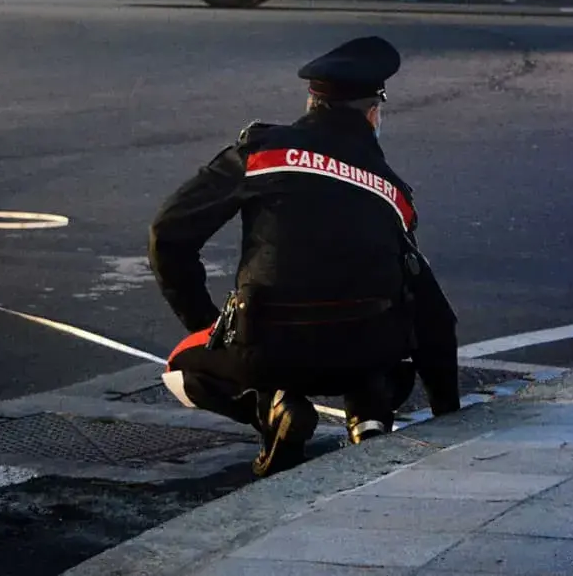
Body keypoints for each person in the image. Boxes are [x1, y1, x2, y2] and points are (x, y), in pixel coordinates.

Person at [149, 35, 461, 477]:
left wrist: (206, 323)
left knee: (181, 369)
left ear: (312, 102)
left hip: (268, 353)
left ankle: (272, 409)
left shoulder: (260, 154)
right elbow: (434, 315)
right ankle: (369, 419)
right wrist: (450, 415)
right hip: (362, 355)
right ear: (373, 113)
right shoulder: (392, 192)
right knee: (378, 317)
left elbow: (168, 233)